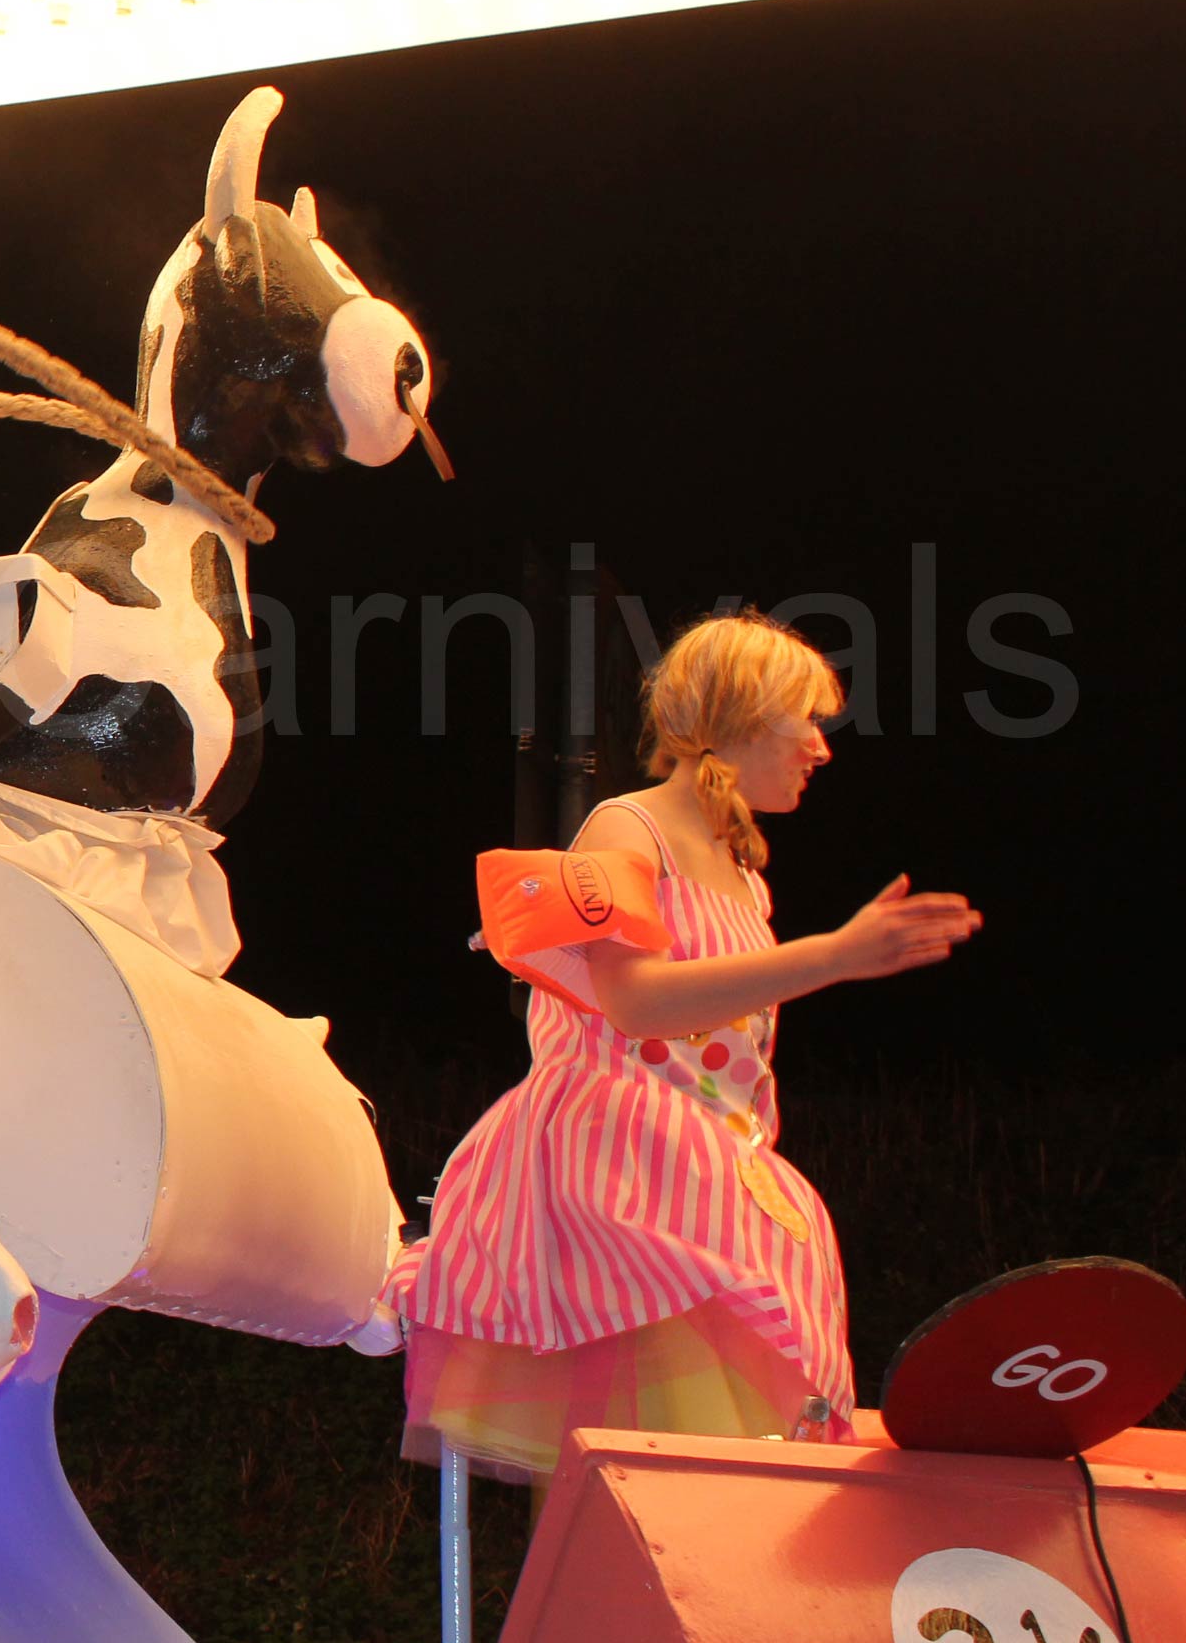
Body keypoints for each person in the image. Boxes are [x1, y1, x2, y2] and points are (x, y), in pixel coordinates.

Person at [394, 609, 981, 1481]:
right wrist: (835, 956)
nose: (820, 749)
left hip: (709, 1171)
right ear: (742, 715)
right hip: (626, 1175)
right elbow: (635, 1003)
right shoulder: (627, 828)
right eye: (806, 721)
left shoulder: (745, 875)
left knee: (720, 1464)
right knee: (661, 1460)